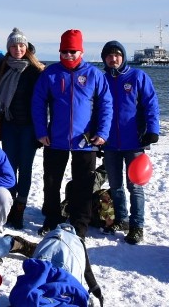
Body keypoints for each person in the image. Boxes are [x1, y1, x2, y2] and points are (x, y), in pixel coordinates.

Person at [32, 29, 113, 238]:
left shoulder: (94, 74)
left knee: (84, 184)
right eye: (64, 51)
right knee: (51, 182)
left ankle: (80, 224)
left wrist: (103, 132)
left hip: (85, 141)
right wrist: (41, 131)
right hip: (55, 139)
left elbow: (106, 105)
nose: (68, 55)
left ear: (81, 52)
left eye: (73, 51)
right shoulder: (50, 74)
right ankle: (51, 218)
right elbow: (38, 104)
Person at [100, 40, 161, 245]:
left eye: (117, 54)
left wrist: (152, 131)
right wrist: (97, 137)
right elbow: (94, 109)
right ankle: (122, 219)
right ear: (104, 59)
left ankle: (137, 226)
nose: (113, 58)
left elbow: (151, 104)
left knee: (134, 186)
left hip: (134, 142)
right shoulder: (102, 79)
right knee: (116, 186)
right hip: (109, 143)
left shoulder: (137, 76)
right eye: (109, 56)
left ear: (123, 57)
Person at [0, 27, 44, 229]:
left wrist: (42, 130)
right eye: (14, 46)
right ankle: (9, 203)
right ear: (8, 48)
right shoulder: (3, 67)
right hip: (9, 125)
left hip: (29, 127)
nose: (18, 49)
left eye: (21, 45)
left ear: (27, 47)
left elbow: (44, 101)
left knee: (25, 168)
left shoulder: (35, 70)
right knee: (9, 167)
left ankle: (19, 209)